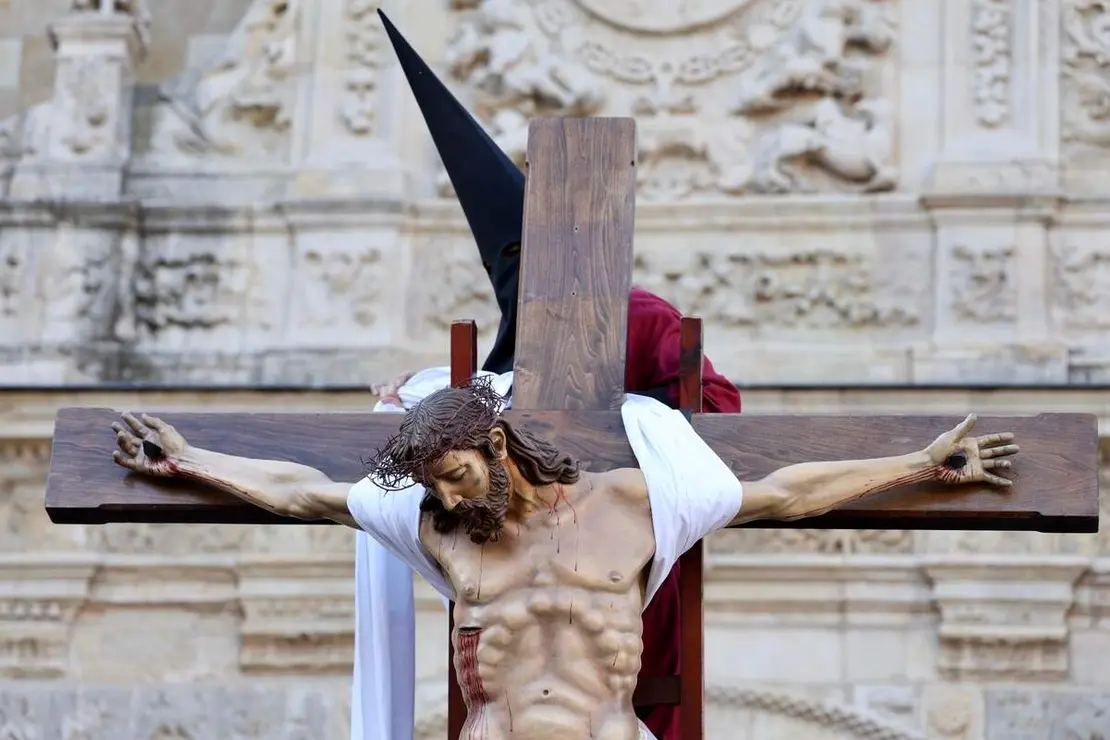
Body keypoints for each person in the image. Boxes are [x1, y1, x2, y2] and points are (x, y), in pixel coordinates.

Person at [110, 385, 1018, 740]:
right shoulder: (438, 527)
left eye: (459, 474)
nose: (451, 497)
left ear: (497, 444)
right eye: (435, 485)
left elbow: (785, 492)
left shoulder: (631, 505)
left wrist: (919, 464)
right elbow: (301, 491)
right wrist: (190, 462)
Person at [366, 12, 745, 738]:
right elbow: (475, 420)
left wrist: (629, 430)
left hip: (615, 567)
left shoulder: (641, 317)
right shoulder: (501, 366)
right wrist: (415, 402)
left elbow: (718, 417)